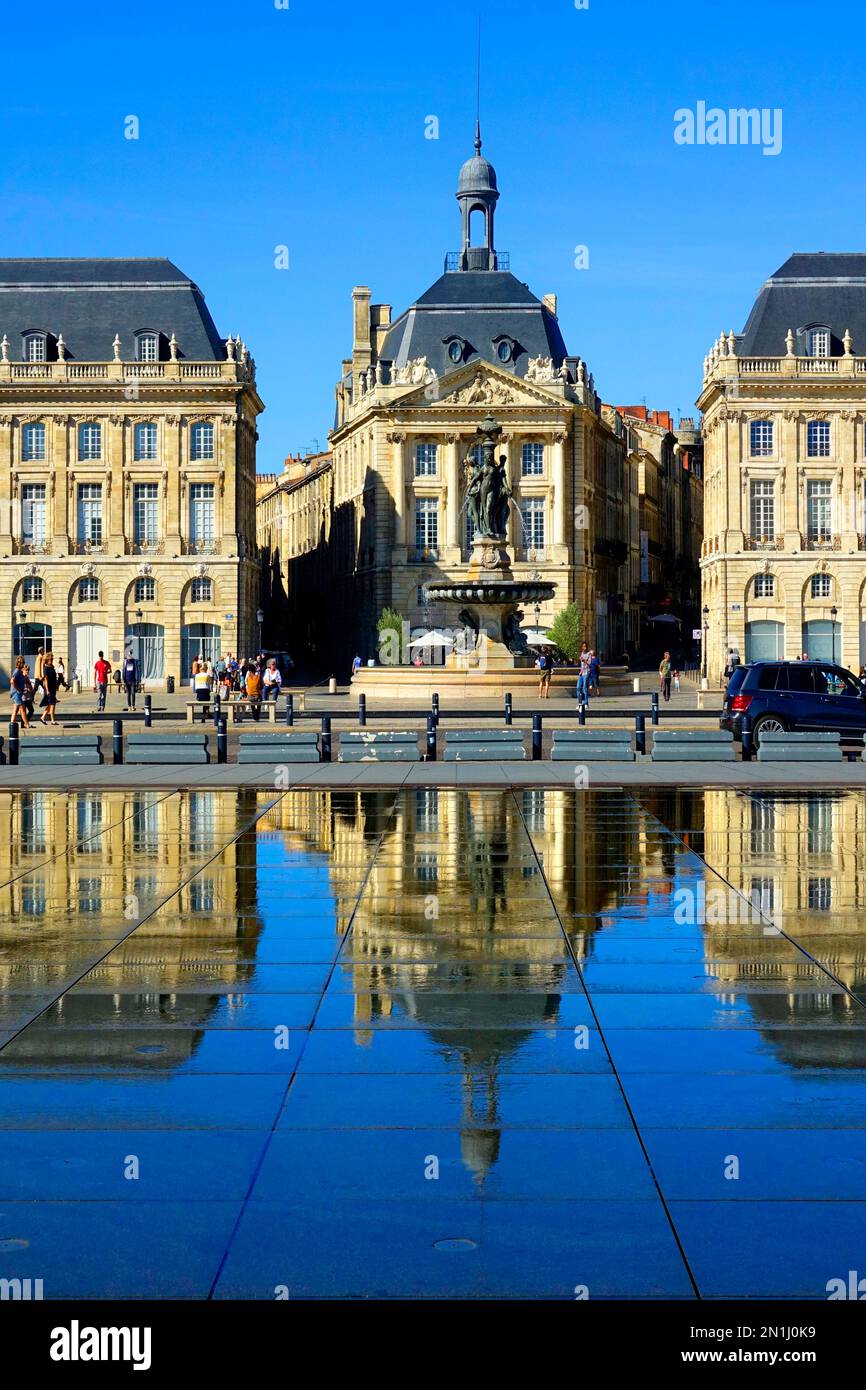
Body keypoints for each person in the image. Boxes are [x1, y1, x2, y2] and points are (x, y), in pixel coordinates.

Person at [10, 655, 30, 730]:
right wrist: (18, 689)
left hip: (18, 694)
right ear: (19, 663)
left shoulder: (19, 671)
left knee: (15, 710)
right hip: (16, 694)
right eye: (23, 662)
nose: (24, 664)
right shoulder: (17, 671)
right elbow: (12, 681)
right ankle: (27, 724)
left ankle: (12, 725)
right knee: (22, 709)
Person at [39, 652, 59, 725]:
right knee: (52, 704)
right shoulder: (46, 669)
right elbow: (46, 680)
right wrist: (47, 690)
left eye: (52, 658)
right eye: (51, 659)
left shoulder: (52, 667)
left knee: (51, 704)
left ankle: (43, 717)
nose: (52, 660)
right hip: (49, 688)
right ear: (47, 660)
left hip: (53, 688)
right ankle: (52, 720)